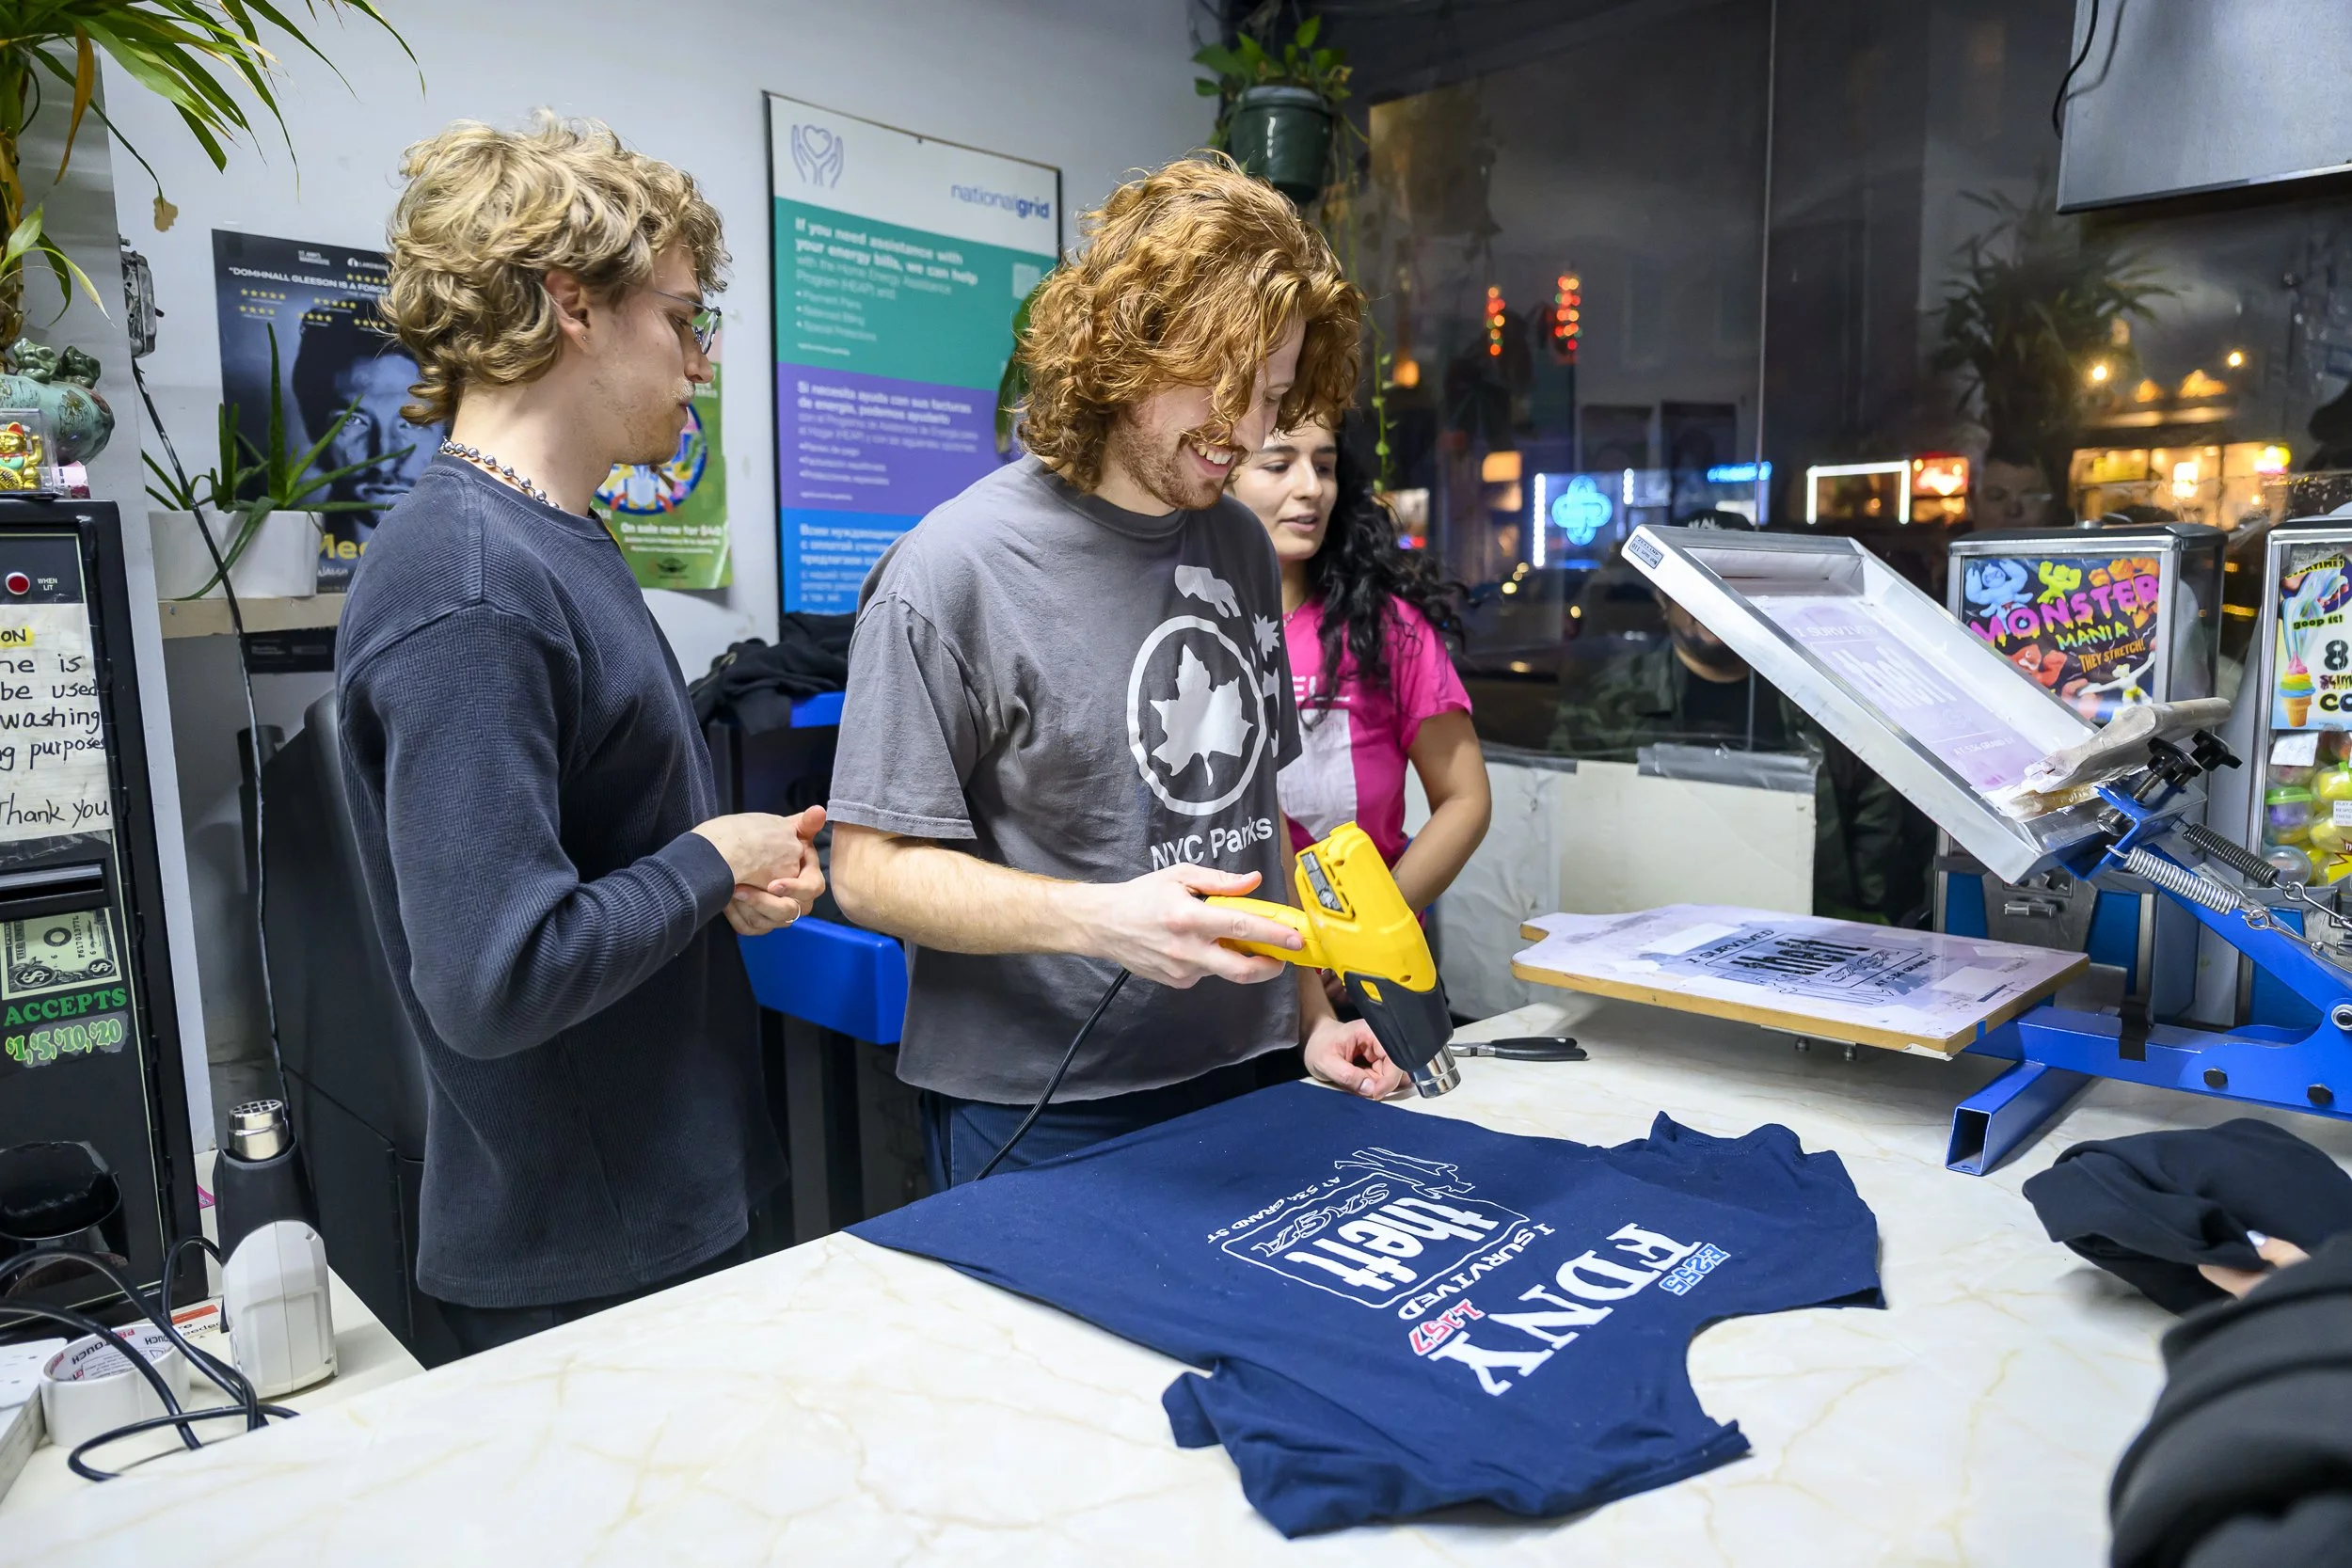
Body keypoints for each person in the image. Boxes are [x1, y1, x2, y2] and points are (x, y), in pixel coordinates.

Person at [337, 115, 820, 1354]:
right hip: (586, 1264)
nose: (700, 359)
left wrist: (716, 881)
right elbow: (496, 975)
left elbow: (593, 866)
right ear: (575, 305)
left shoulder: (555, 537)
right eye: (682, 317)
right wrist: (710, 858)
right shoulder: (467, 584)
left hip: (666, 1202)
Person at [827, 156, 1406, 1189]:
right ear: (1127, 348)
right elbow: (866, 869)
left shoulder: (1235, 537)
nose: (1253, 431)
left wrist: (1313, 1011)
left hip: (1255, 1064)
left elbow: (1252, 805)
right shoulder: (950, 570)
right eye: (1225, 387)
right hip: (1048, 1109)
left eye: (1273, 395)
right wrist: (1106, 918)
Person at [1550, 532, 1921, 923]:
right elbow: (1568, 820)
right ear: (1662, 598)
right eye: (1692, 582)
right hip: (1647, 926)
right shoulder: (1609, 703)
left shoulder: (1821, 702)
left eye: (1728, 582)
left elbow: (1878, 824)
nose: (1710, 598)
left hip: (1801, 937)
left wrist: (1855, 919)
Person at [1227, 415, 1490, 911]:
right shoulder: (1182, 629)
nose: (1311, 488)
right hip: (1224, 963)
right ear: (1220, 477)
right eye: (1279, 465)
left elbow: (1466, 798)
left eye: (1324, 467)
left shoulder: (1386, 627)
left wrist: (1369, 928)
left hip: (1367, 971)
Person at [291, 307, 434, 573]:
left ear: (447, 430)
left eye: (410, 423)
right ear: (314, 428)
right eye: (353, 421)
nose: (384, 461)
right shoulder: (290, 565)